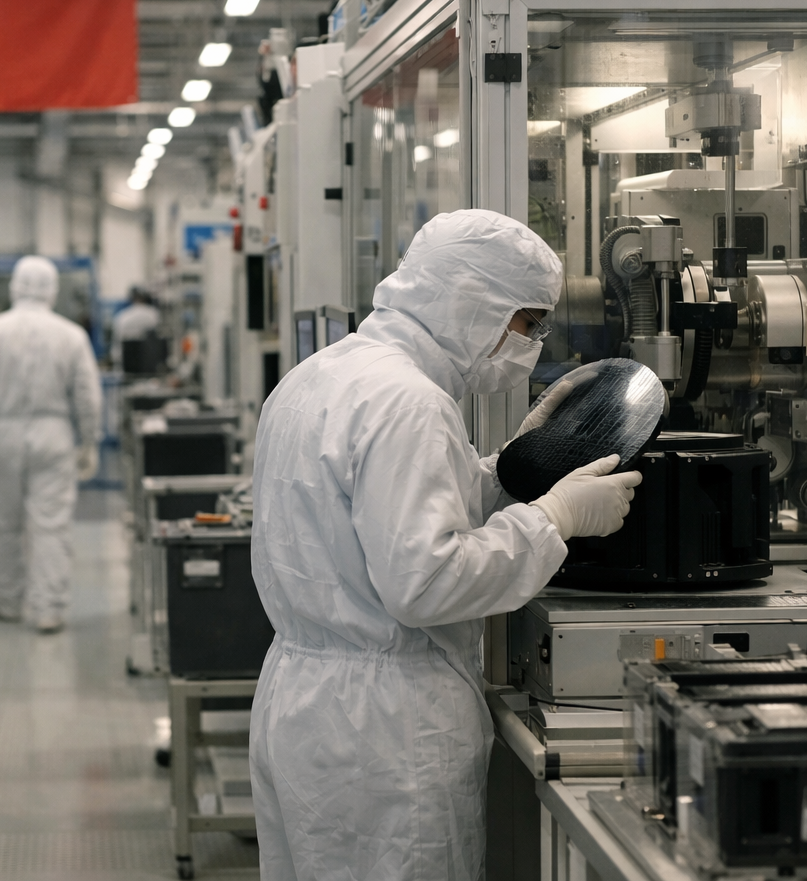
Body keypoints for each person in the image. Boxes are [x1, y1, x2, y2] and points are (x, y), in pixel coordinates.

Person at [247, 209, 642, 881]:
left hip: (305, 704)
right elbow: (425, 581)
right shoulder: (409, 402)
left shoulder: (326, 373)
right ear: (473, 303)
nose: (534, 342)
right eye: (528, 322)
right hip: (385, 733)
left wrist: (513, 466)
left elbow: (383, 517)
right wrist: (554, 519)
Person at [0, 256, 102, 633]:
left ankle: (6, 602)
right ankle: (47, 609)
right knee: (50, 524)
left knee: (1, 522)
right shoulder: (71, 335)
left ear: (14, 287)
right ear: (52, 289)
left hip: (0, 436)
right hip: (54, 435)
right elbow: (88, 396)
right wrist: (89, 442)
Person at [111, 287, 161, 369]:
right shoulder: (154, 315)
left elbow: (116, 349)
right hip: (150, 366)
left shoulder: (122, 317)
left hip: (127, 367)